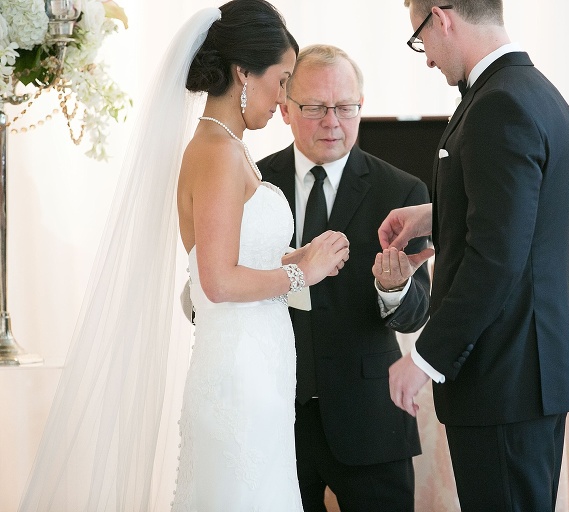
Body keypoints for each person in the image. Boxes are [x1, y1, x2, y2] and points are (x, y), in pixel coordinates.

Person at [19, 2, 348, 511]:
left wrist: (298, 256)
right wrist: (301, 272)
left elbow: (240, 254)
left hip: (261, 370)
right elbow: (215, 280)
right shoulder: (216, 152)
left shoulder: (231, 148)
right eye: (282, 81)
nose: (284, 99)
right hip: (237, 378)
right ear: (243, 73)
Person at [379, 2, 569, 511]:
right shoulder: (536, 92)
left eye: (419, 38)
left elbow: (495, 259)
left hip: (504, 377)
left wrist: (424, 358)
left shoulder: (498, 105)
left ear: (442, 18)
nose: (426, 58)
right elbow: (523, 220)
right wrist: (435, 213)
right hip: (525, 375)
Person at [257, 44, 432, 512]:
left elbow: (418, 313)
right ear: (286, 110)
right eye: (314, 107)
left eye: (346, 107)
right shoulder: (254, 184)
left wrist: (394, 289)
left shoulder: (403, 191)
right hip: (274, 419)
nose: (332, 121)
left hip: (371, 420)